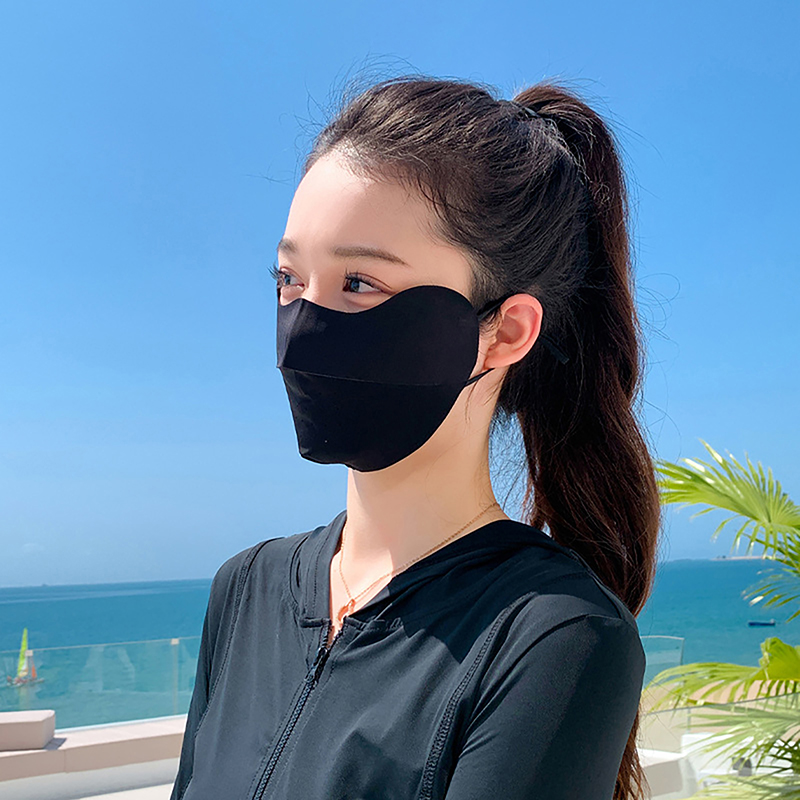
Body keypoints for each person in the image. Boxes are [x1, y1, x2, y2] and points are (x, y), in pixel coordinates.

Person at [170, 75, 661, 800]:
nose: (303, 327)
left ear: (506, 332)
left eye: (360, 283)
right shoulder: (245, 589)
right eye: (290, 279)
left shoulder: (556, 636)